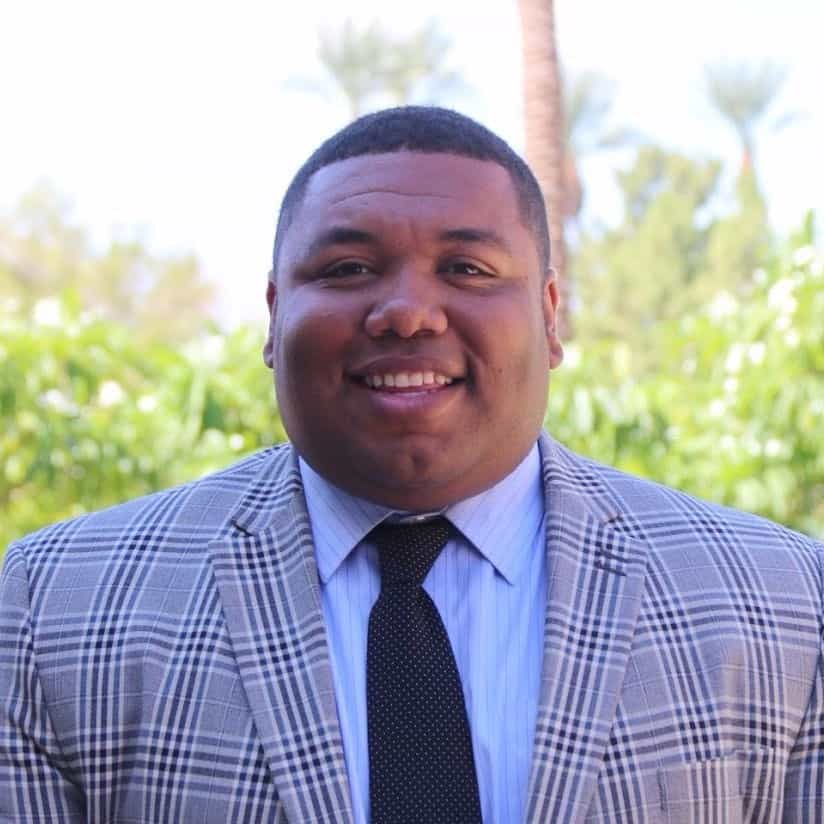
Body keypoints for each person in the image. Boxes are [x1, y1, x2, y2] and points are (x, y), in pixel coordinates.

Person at [0, 106, 821, 824]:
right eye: (348, 269)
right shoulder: (54, 610)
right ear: (274, 313)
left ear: (548, 314)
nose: (406, 312)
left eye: (466, 269)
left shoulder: (782, 603)